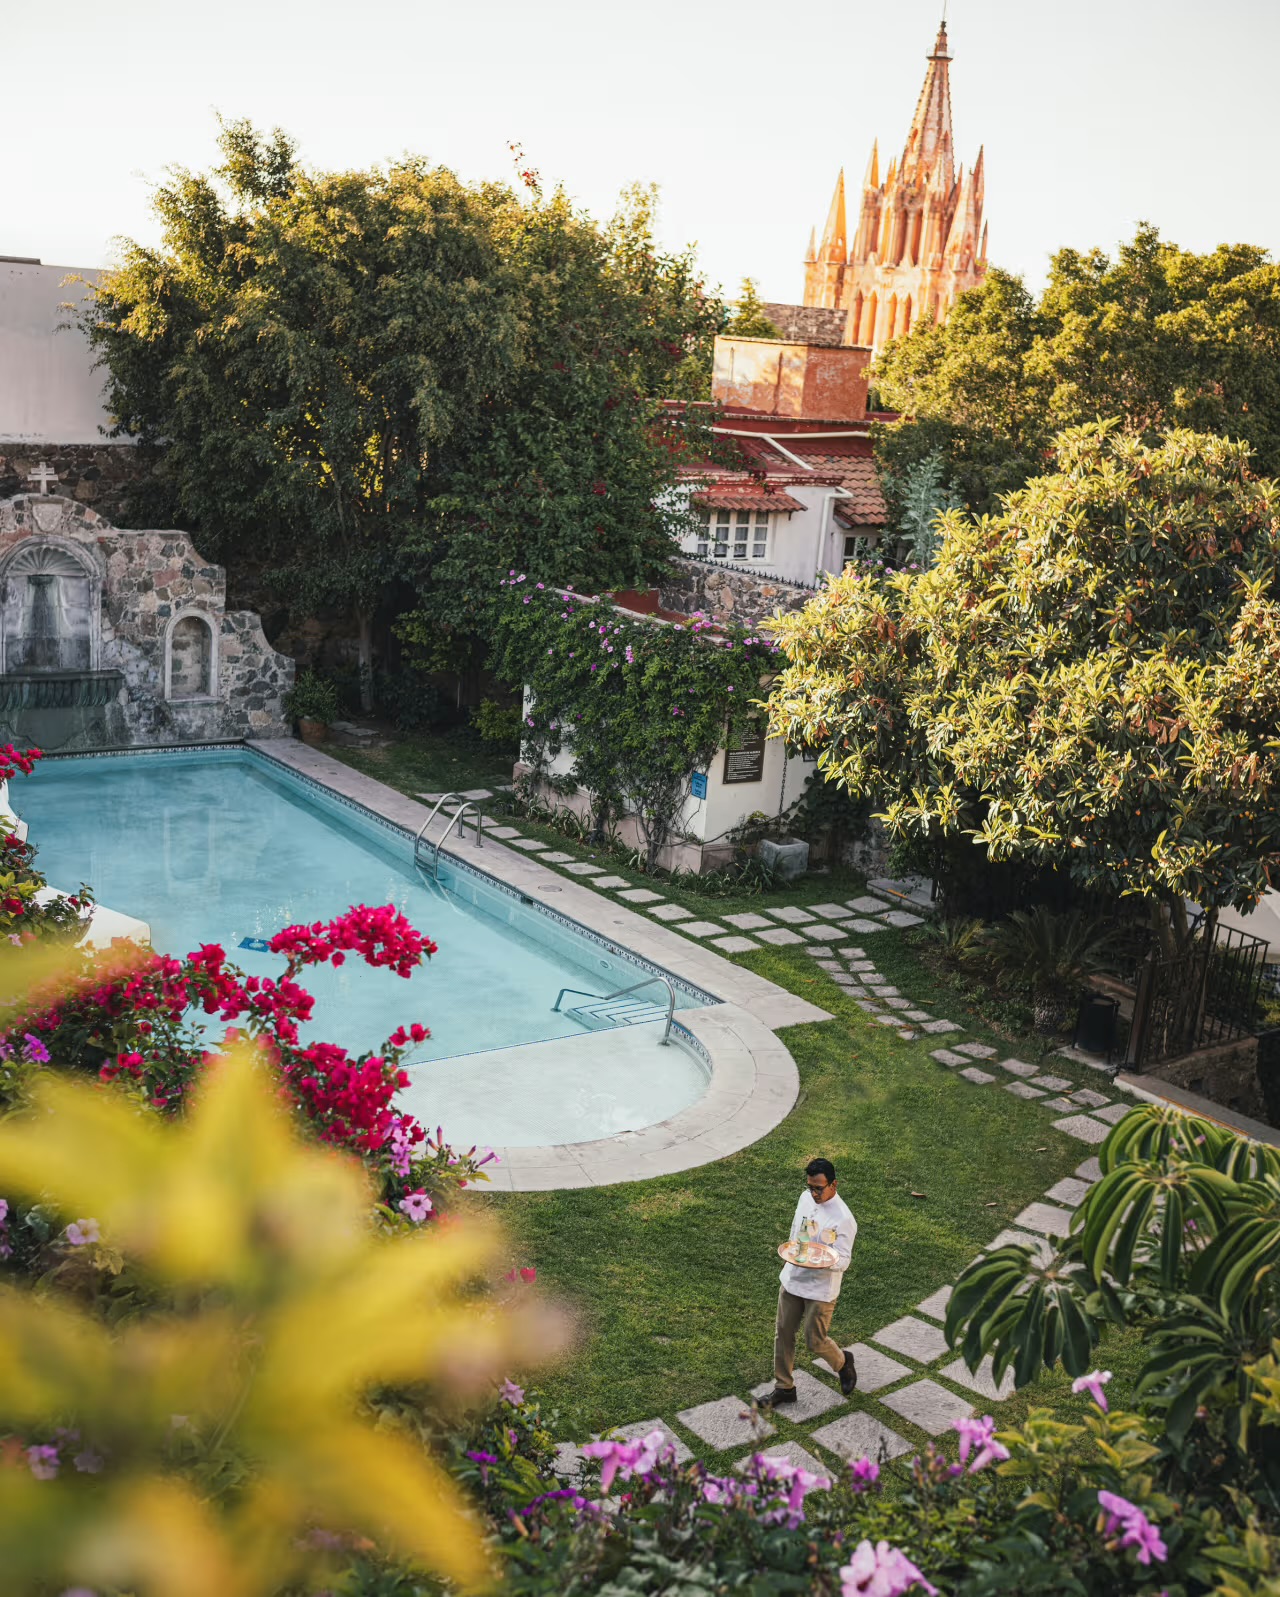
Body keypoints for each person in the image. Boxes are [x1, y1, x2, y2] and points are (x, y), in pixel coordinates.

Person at [763, 1157, 858, 1405]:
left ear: (833, 1184)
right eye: (811, 1187)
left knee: (814, 1341)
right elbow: (796, 1230)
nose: (814, 1193)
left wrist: (823, 1260)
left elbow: (845, 1260)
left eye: (819, 1188)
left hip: (820, 1289)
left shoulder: (844, 1219)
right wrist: (792, 1254)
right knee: (783, 1333)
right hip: (794, 1278)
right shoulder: (805, 1198)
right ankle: (784, 1387)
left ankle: (842, 1362)